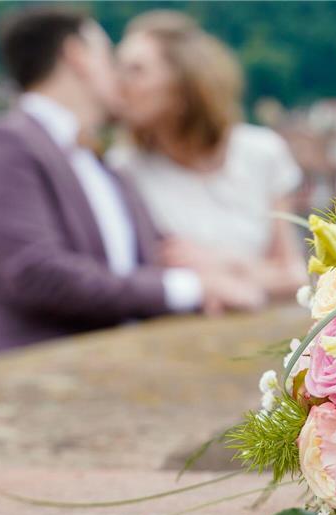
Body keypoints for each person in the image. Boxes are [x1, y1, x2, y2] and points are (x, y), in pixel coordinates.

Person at [0, 7, 261, 360]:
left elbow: (153, 259)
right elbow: (35, 272)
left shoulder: (105, 166)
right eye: (108, 56)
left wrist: (220, 268)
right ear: (77, 55)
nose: (118, 75)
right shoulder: (2, 141)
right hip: (26, 382)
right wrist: (189, 287)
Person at [110, 11, 307, 300]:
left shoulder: (263, 152)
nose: (119, 84)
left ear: (183, 84)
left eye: (137, 70)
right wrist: (250, 275)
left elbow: (295, 277)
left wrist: (224, 264)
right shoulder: (124, 168)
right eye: (118, 69)